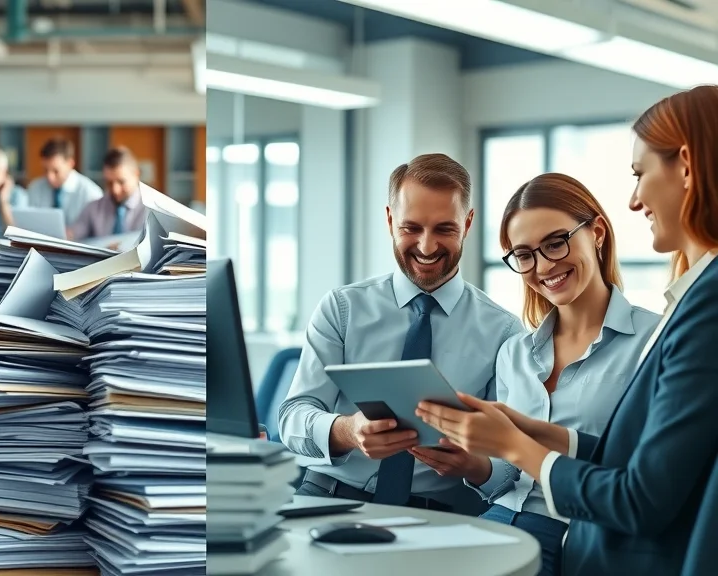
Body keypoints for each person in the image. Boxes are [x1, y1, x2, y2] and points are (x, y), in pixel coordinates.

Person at [417, 85, 718, 575]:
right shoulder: (516, 348)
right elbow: (639, 457)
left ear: (685, 165)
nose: (635, 199)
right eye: (524, 254)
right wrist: (522, 432)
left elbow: (641, 493)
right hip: (506, 520)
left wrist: (518, 444)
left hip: (591, 538)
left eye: (640, 173)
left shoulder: (695, 308)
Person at [407, 173, 659, 576]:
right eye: (524, 255)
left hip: (579, 535)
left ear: (596, 232)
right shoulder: (515, 353)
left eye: (555, 243)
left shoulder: (654, 340)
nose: (543, 266)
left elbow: (647, 470)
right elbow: (507, 479)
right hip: (496, 524)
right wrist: (473, 465)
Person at [278, 153, 522, 514]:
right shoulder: (341, 309)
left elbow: (514, 459)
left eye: (445, 229)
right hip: (330, 495)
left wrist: (476, 466)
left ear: (467, 224)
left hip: (439, 511)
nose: (426, 247)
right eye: (411, 228)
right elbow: (293, 415)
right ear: (390, 220)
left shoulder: (503, 331)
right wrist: (348, 431)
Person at [68, 147, 147, 241]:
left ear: (136, 175)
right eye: (109, 183)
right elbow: (75, 234)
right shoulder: (94, 208)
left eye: (121, 182)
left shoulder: (152, 211)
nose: (115, 190)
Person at [26, 137, 103, 226]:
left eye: (56, 171)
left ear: (70, 164)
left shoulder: (90, 193)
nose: (50, 177)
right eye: (45, 170)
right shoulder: (35, 188)